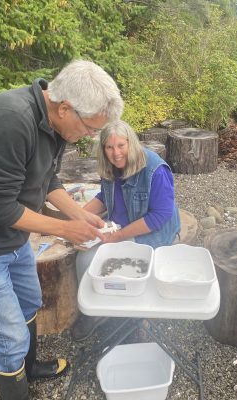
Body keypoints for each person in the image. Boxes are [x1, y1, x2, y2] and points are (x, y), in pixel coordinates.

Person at [0, 60, 124, 400]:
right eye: (91, 128)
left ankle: (30, 368)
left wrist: (78, 214)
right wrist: (66, 229)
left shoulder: (55, 125)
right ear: (66, 108)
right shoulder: (9, 120)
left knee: (29, 302)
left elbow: (47, 177)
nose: (91, 136)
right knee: (9, 339)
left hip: (12, 236)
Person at [70, 120, 181, 341]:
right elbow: (104, 196)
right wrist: (77, 218)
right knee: (84, 259)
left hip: (152, 231)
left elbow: (160, 215)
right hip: (119, 225)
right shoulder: (109, 166)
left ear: (131, 143)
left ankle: (134, 318)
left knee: (127, 265)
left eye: (121, 145)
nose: (116, 153)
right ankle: (94, 312)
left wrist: (117, 237)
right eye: (109, 147)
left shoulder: (154, 170)